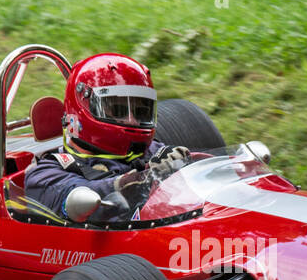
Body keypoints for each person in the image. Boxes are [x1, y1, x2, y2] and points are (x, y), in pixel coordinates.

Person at [25, 52, 189, 222]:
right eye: (118, 110)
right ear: (81, 109)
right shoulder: (45, 174)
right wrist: (126, 184)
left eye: (141, 111)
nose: (132, 120)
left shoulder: (154, 152)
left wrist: (185, 165)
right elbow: (77, 195)